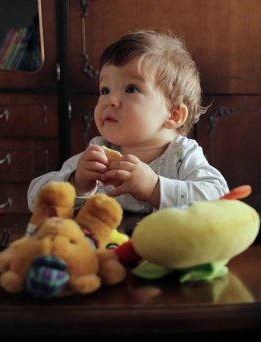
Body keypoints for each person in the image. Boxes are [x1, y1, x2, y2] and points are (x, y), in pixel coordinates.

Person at [28, 29, 228, 213]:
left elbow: (221, 199)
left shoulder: (182, 156)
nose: (110, 101)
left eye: (131, 89)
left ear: (173, 115)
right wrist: (76, 183)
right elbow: (34, 199)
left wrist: (154, 188)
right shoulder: (99, 155)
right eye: (105, 90)